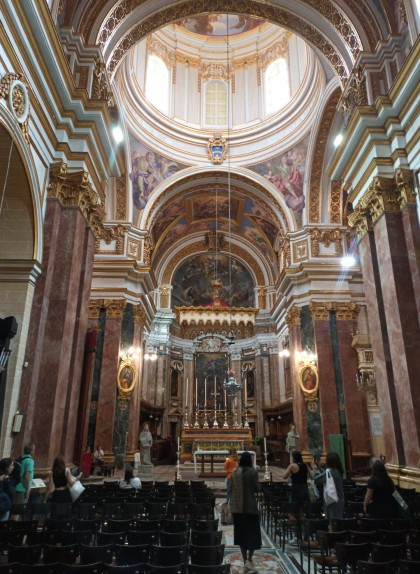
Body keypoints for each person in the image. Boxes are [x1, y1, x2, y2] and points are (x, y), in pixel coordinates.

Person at [230, 451, 262, 571]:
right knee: (253, 534)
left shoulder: (234, 472)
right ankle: (250, 558)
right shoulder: (253, 472)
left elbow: (231, 488)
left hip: (237, 508)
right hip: (250, 508)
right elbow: (256, 488)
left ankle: (244, 560)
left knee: (241, 534)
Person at [316, 452, 345, 529]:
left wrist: (315, 470)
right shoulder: (339, 471)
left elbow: (317, 479)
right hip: (340, 499)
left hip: (331, 500)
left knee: (332, 524)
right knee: (339, 523)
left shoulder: (329, 472)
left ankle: (332, 539)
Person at [283, 450, 313, 521]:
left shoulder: (292, 466)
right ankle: (302, 528)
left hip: (296, 489)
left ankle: (296, 528)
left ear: (294, 458)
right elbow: (312, 476)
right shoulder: (305, 465)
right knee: (301, 511)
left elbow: (284, 476)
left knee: (291, 512)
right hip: (304, 489)